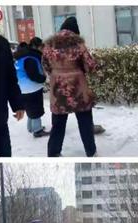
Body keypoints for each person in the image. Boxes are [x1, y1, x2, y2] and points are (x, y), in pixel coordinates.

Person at [42, 16, 97, 157]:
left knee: (58, 123)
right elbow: (90, 65)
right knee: (85, 121)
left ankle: (53, 152)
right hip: (78, 89)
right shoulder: (78, 45)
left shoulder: (49, 46)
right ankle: (90, 151)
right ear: (75, 31)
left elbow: (45, 66)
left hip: (58, 89)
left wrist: (56, 75)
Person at [14, 37, 49, 138]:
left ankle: (31, 127)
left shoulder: (21, 56)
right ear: (36, 46)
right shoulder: (30, 58)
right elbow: (34, 75)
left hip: (22, 88)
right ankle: (37, 130)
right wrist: (43, 79)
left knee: (30, 108)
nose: (42, 50)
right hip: (31, 88)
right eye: (41, 47)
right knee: (36, 109)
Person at [0, 34, 25, 157]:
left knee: (3, 152)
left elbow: (10, 77)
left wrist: (17, 104)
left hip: (0, 113)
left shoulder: (1, 43)